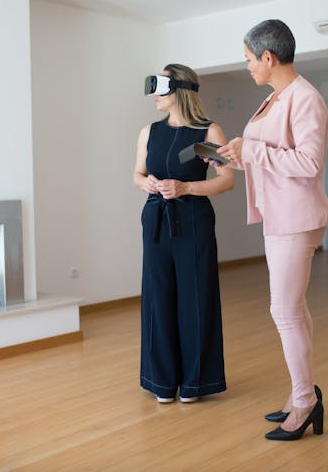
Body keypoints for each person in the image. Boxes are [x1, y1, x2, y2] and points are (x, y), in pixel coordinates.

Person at [216, 19, 328, 441]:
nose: (247, 66)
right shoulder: (275, 98)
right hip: (279, 216)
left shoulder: (305, 99)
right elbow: (268, 154)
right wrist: (234, 156)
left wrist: (250, 150)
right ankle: (301, 393)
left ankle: (305, 402)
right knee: (293, 310)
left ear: (268, 57)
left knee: (284, 312)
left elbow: (307, 163)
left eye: (249, 59)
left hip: (296, 219)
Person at [133, 63, 234, 404]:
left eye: (159, 87)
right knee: (158, 298)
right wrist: (145, 181)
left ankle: (195, 383)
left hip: (193, 221)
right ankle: (161, 381)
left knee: (195, 297)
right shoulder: (149, 132)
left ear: (178, 90)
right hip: (156, 220)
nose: (154, 96)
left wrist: (186, 187)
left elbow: (226, 181)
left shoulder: (208, 132)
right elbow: (137, 173)